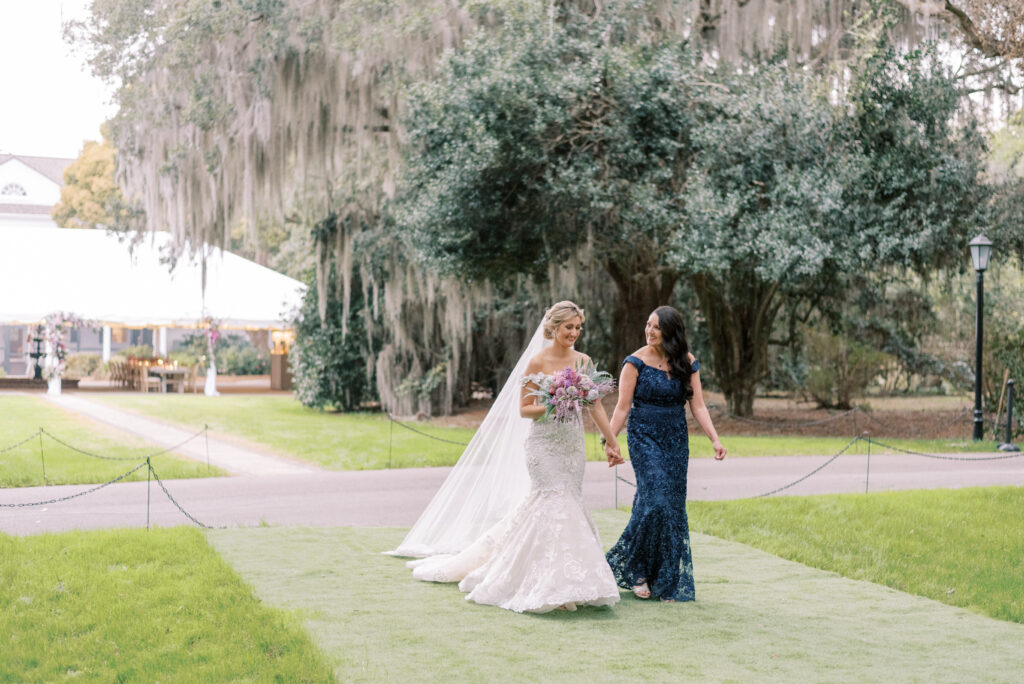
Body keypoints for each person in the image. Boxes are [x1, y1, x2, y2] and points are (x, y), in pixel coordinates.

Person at [403, 301, 623, 613]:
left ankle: (573, 581)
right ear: (553, 328)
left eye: (578, 328)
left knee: (570, 503)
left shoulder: (584, 362)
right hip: (543, 446)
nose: (573, 333)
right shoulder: (536, 362)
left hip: (571, 447)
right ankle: (549, 585)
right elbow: (525, 410)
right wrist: (557, 402)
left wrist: (611, 443)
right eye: (568, 327)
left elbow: (596, 405)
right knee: (554, 502)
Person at [604, 305, 726, 602]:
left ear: (671, 331)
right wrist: (610, 441)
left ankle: (664, 577)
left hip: (675, 439)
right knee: (656, 500)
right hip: (643, 436)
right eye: (648, 325)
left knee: (668, 506)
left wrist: (714, 439)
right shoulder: (634, 362)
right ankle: (636, 570)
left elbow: (697, 406)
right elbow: (622, 406)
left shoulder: (687, 362)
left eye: (656, 327)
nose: (649, 331)